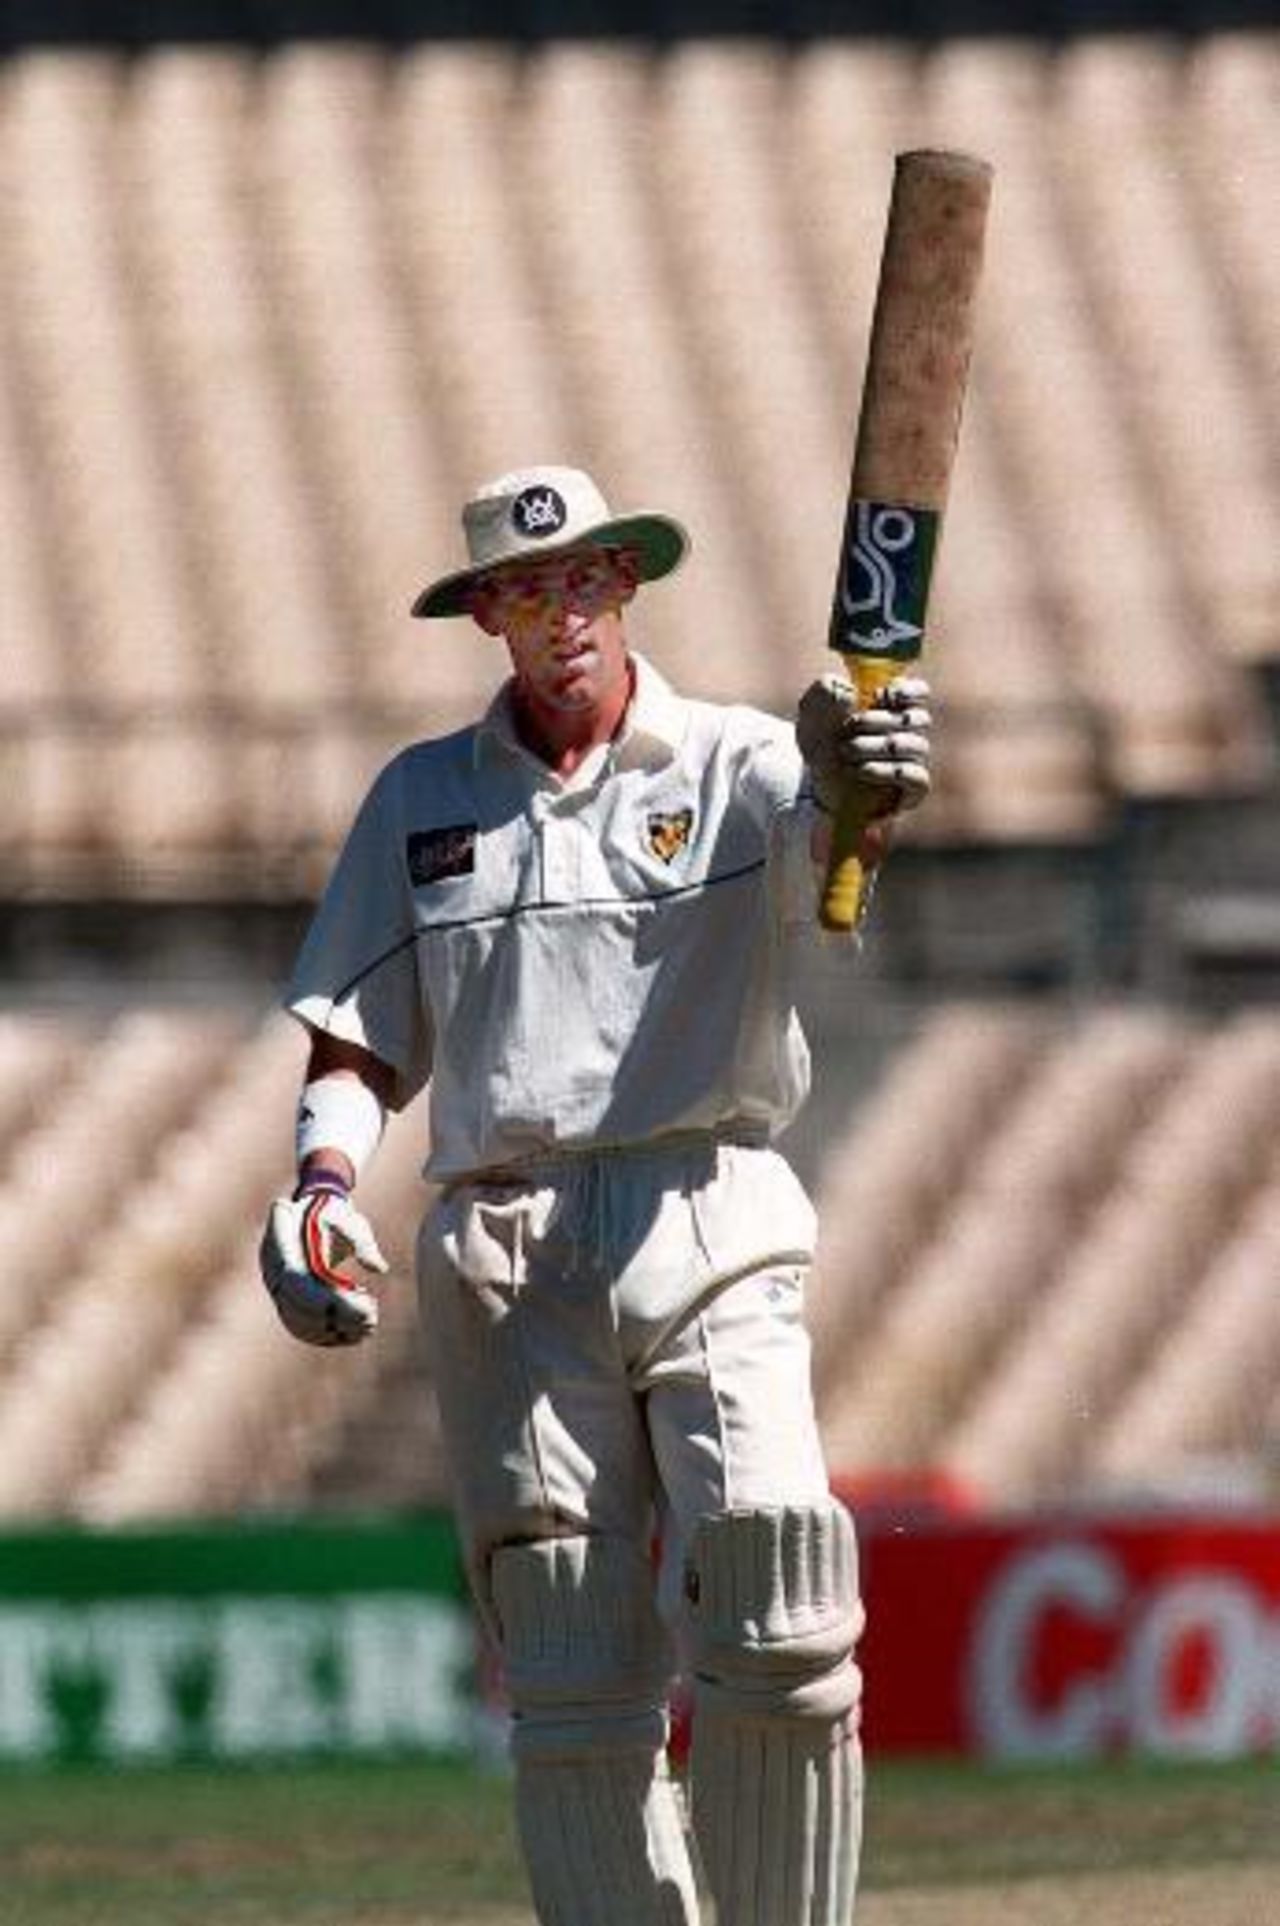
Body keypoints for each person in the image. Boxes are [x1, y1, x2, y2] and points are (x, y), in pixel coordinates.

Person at [259, 465, 933, 1926]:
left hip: (708, 1206)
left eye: (580, 581)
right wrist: (318, 1180)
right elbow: (360, 1039)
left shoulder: (740, 759)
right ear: (487, 615)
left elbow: (836, 849)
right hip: (508, 1243)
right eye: (524, 591)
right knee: (569, 1662)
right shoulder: (424, 800)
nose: (558, 615)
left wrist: (860, 781)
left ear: (624, 584)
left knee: (779, 1602)